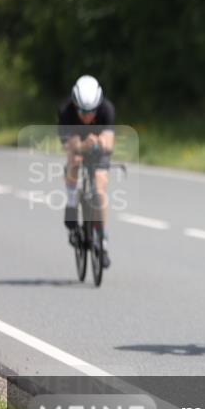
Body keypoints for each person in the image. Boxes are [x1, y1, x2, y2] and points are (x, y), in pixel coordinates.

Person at [58, 75, 115, 267]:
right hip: (77, 143)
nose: (87, 116)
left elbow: (109, 143)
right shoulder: (66, 111)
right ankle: (71, 204)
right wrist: (83, 146)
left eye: (92, 111)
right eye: (82, 111)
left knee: (100, 188)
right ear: (75, 105)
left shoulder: (106, 109)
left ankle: (102, 241)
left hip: (98, 148)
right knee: (74, 160)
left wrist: (100, 143)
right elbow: (69, 145)